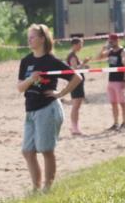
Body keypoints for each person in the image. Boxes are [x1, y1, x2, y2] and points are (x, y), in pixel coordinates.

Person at [17, 24, 82, 192]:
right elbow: (20, 87)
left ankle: (48, 187)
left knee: (46, 149)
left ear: (42, 38)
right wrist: (31, 79)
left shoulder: (51, 61)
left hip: (47, 108)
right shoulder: (26, 61)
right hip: (30, 109)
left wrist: (61, 93)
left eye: (32, 37)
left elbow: (76, 77)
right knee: (27, 151)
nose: (29, 40)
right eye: (28, 37)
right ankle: (36, 187)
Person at [100, 33, 125, 130]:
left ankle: (124, 123)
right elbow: (99, 57)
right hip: (111, 80)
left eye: (112, 41)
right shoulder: (110, 51)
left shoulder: (122, 51)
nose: (111, 43)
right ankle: (115, 123)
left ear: (117, 40)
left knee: (122, 103)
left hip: (120, 80)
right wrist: (104, 47)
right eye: (110, 41)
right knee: (113, 103)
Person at [65, 37, 89, 135]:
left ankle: (74, 127)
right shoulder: (72, 56)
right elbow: (75, 69)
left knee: (76, 105)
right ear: (74, 45)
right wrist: (84, 63)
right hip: (76, 82)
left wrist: (84, 66)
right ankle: (74, 128)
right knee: (76, 106)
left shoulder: (73, 55)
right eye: (80, 44)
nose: (81, 46)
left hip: (77, 82)